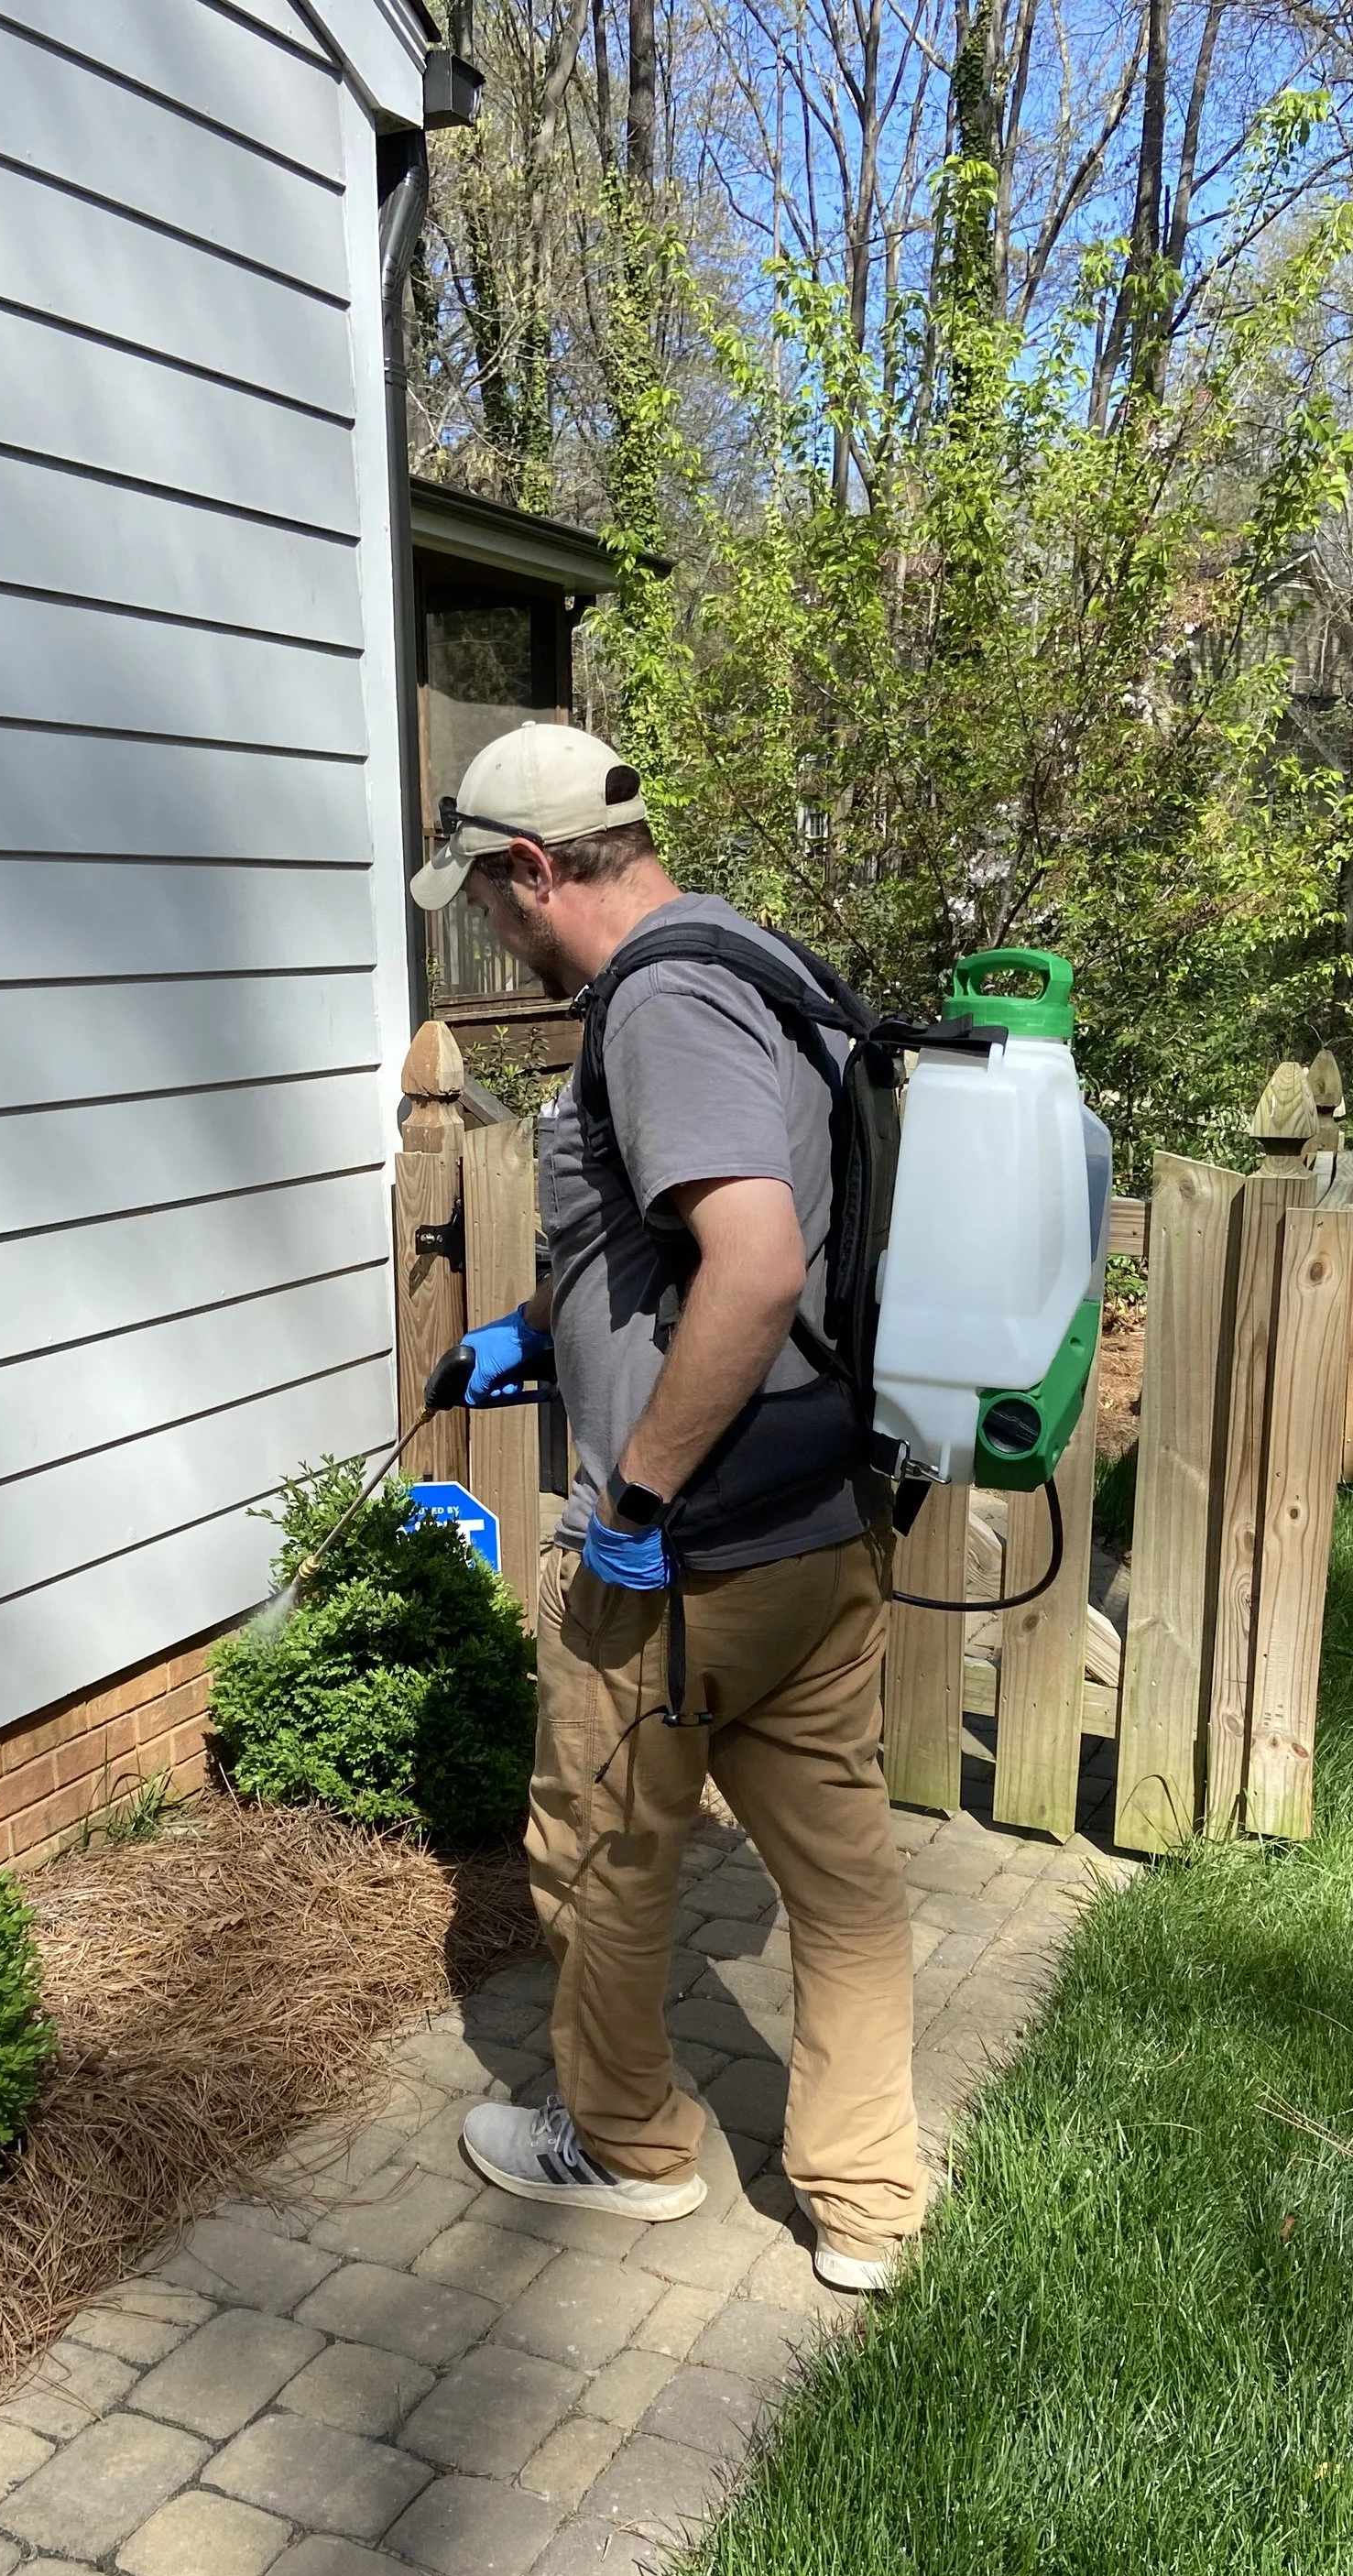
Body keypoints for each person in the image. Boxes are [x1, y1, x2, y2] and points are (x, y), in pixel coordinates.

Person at [409, 721, 923, 2291]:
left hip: (683, 1561)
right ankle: (870, 2203)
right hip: (819, 1516)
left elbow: (755, 1262)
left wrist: (634, 1487)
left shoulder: (659, 1002)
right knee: (840, 1873)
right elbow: (696, 1245)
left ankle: (625, 2147)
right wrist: (549, 1333)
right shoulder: (767, 965)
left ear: (538, 870)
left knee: (598, 1855)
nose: (495, 929)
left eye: (489, 899)